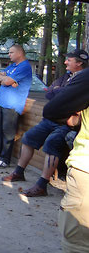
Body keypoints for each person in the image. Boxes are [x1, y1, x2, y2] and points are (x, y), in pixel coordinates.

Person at [1, 49, 88, 197]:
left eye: (69, 60)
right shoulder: (67, 77)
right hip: (50, 120)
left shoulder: (84, 80)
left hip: (66, 124)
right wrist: (59, 91)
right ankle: (18, 172)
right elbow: (49, 92)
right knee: (28, 138)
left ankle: (42, 185)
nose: (65, 62)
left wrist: (59, 91)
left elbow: (65, 95)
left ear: (79, 63)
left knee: (51, 145)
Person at [39, 66, 89, 252]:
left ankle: (42, 182)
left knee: (78, 244)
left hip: (85, 170)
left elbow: (53, 109)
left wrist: (75, 114)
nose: (66, 61)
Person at [0, 44, 33, 168]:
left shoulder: (25, 66)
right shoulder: (12, 66)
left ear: (19, 53)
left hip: (12, 105)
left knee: (8, 133)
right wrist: (5, 79)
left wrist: (5, 80)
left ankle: (4, 159)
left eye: (11, 52)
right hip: (0, 102)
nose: (9, 54)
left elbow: (5, 81)